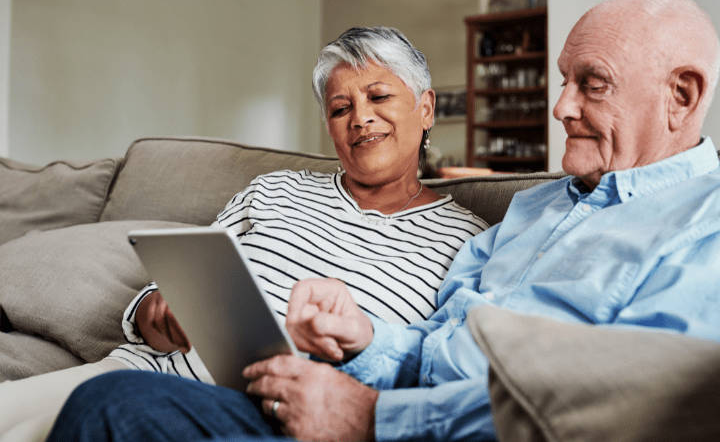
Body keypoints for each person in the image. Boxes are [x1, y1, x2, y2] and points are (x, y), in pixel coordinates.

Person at [47, 0, 720, 442]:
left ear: (682, 96)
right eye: (340, 108)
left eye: (590, 84)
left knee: (111, 410)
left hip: (397, 426)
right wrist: (365, 339)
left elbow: (633, 409)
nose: (561, 107)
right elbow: (433, 349)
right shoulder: (534, 209)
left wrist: (372, 416)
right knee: (107, 398)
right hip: (300, 397)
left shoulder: (704, 225)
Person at [0, 26, 487, 439]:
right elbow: (180, 279)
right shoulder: (274, 190)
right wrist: (156, 307)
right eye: (341, 109)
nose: (360, 118)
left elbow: (440, 366)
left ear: (426, 108)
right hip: (137, 368)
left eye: (379, 96)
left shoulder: (469, 237)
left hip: (259, 417)